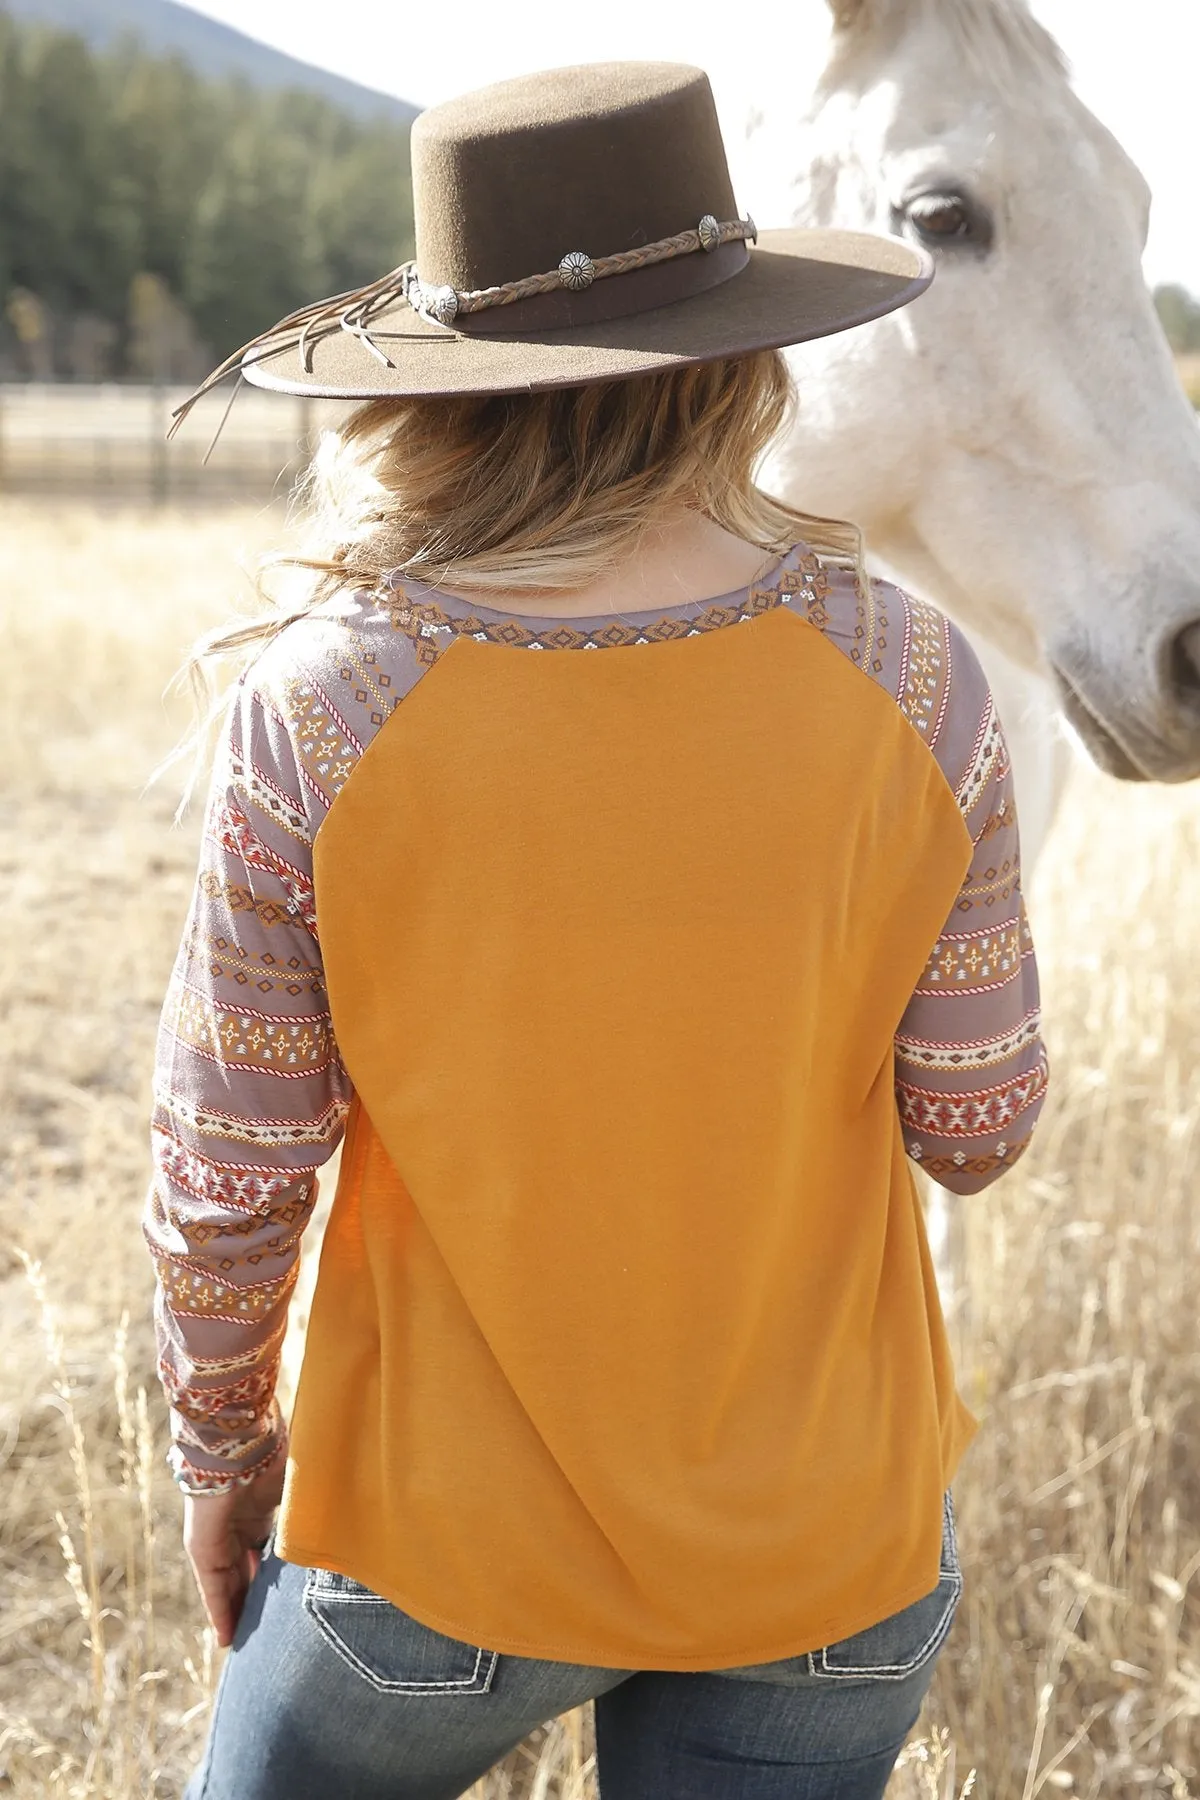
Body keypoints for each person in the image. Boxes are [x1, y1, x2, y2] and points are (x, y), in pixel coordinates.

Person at [146, 60, 1048, 1800]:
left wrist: (221, 1453)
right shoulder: (919, 675)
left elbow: (229, 1178)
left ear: (443, 388)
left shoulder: (324, 707)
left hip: (429, 1558)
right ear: (742, 345)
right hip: (820, 1555)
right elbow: (980, 1132)